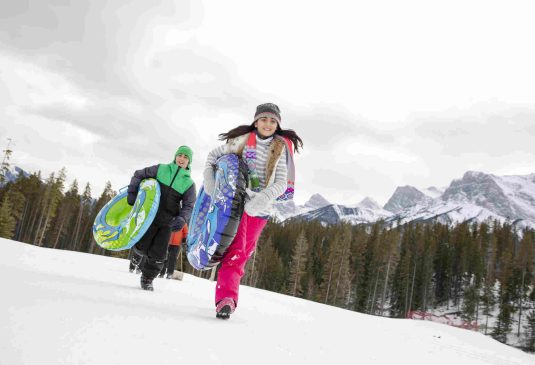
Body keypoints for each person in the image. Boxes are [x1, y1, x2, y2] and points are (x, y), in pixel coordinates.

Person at [203, 103, 302, 319]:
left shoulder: (279, 148)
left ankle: (226, 289)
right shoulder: (240, 141)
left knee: (244, 254)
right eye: (264, 119)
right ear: (256, 121)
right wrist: (210, 184)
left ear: (277, 125)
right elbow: (212, 157)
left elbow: (281, 183)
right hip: (236, 204)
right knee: (236, 252)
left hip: (261, 210)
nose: (268, 124)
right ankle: (226, 300)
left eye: (272, 121)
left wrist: (261, 200)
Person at [127, 146, 196, 291]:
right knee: (142, 246)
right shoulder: (161, 169)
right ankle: (138, 254)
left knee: (159, 254)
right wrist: (132, 194)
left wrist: (182, 218)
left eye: (185, 157)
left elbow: (189, 205)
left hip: (168, 222)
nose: (181, 159)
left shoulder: (189, 183)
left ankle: (147, 278)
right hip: (150, 216)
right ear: (175, 156)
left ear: (189, 161)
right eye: (180, 155)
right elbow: (139, 174)